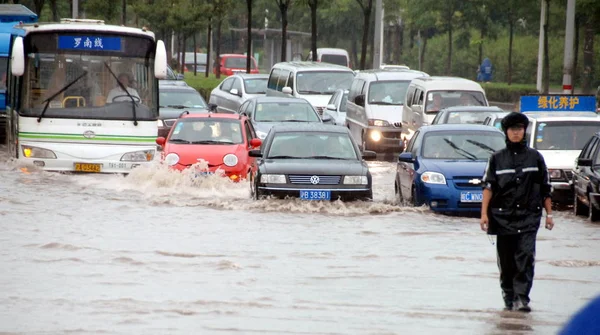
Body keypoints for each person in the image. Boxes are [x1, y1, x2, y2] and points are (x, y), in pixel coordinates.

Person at [480, 111, 554, 312]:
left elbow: (545, 187)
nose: (516, 133)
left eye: (519, 129)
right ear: (506, 132)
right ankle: (509, 295)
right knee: (506, 260)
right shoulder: (496, 159)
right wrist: (484, 214)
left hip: (529, 217)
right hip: (502, 217)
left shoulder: (535, 158)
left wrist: (549, 215)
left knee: (526, 257)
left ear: (524, 131)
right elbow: (488, 187)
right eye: (512, 129)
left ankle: (522, 298)